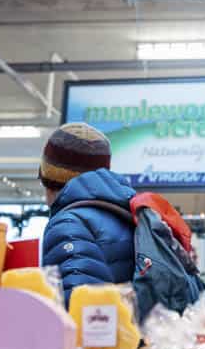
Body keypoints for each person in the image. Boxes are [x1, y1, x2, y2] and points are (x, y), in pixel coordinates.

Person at [39, 123, 136, 304]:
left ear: (48, 179)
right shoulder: (128, 214)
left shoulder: (68, 225)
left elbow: (79, 311)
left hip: (100, 331)